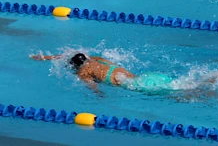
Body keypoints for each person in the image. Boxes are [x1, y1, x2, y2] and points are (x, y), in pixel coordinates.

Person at [31, 52, 176, 94]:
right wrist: (44, 58)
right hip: (147, 77)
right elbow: (64, 55)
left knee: (173, 95)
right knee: (178, 85)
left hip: (136, 85)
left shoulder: (83, 71)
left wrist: (98, 93)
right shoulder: (96, 59)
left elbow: (91, 85)